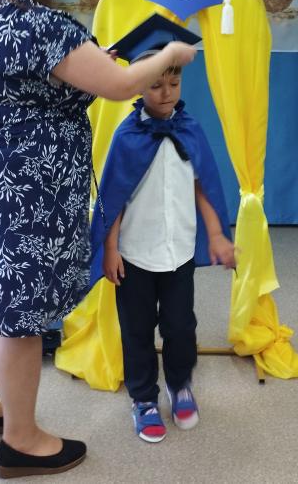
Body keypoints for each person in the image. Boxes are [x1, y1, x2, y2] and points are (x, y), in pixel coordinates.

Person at [0, 0, 197, 478]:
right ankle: (21, 440)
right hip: (29, 189)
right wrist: (170, 53)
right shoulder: (41, 24)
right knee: (24, 314)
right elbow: (120, 86)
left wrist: (93, 59)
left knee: (1, 298)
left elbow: (33, 78)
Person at [92, 49, 236, 443]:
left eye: (174, 83)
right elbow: (113, 198)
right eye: (155, 85)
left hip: (178, 253)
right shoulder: (127, 136)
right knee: (136, 329)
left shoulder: (190, 129)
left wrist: (217, 235)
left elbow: (204, 185)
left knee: (181, 325)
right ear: (138, 85)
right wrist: (110, 249)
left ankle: (180, 384)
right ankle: (143, 398)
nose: (166, 92)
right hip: (135, 255)